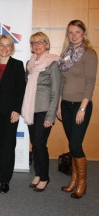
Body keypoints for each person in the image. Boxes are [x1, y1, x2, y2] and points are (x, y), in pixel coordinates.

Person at [57, 20, 98, 199]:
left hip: (80, 106)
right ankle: (73, 180)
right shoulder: (65, 54)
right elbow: (62, 82)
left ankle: (82, 182)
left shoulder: (89, 53)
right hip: (65, 105)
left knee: (75, 144)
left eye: (77, 32)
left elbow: (90, 83)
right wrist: (59, 104)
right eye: (71, 32)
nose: (73, 36)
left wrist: (82, 108)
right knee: (73, 145)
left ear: (84, 34)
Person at [0, 34, 26, 193]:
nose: (4, 48)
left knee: (8, 145)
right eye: (2, 44)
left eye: (8, 45)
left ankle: (6, 179)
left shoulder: (17, 65)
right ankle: (3, 173)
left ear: (12, 48)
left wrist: (17, 110)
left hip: (11, 113)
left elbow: (21, 91)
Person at [21, 32, 61, 192]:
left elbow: (56, 91)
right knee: (35, 144)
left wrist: (50, 116)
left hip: (45, 110)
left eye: (40, 42)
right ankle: (38, 173)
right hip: (31, 109)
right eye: (34, 43)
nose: (37, 46)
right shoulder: (29, 64)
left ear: (47, 44)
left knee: (39, 143)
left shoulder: (53, 63)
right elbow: (26, 85)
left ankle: (44, 177)